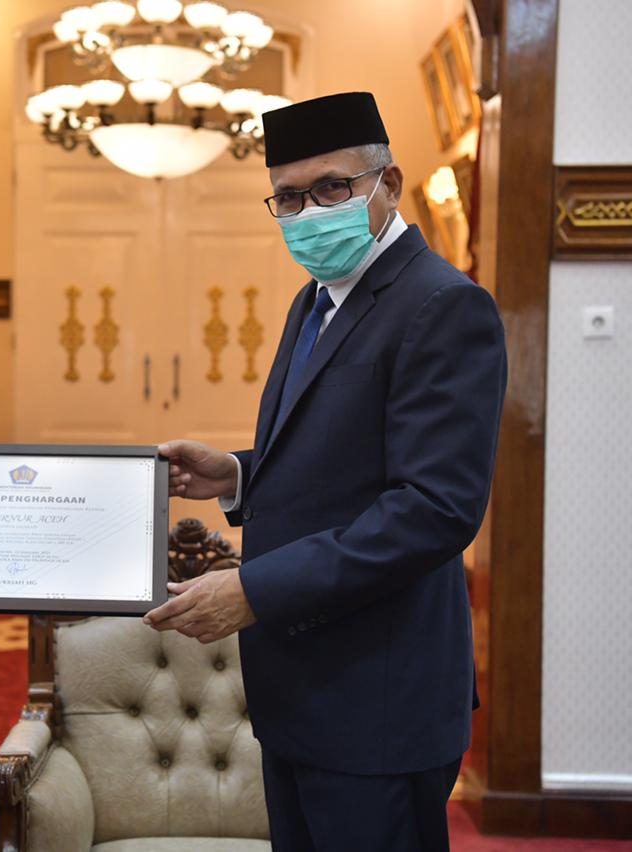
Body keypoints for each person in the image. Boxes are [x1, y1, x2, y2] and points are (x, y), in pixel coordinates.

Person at [143, 92, 508, 851]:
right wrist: (237, 475)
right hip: (303, 688)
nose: (309, 212)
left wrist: (255, 590)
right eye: (289, 197)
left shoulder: (443, 305)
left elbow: (433, 509)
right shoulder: (315, 300)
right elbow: (344, 462)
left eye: (332, 187)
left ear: (389, 184)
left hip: (379, 696)